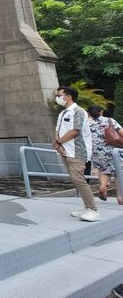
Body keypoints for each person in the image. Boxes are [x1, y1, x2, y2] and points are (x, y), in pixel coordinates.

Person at [53, 86, 100, 222]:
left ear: (68, 97)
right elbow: (57, 130)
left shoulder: (78, 111)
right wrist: (57, 145)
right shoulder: (63, 113)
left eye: (59, 95)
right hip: (65, 151)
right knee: (76, 180)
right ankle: (87, 207)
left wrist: (59, 142)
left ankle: (93, 210)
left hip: (78, 152)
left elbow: (75, 131)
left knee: (79, 179)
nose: (57, 97)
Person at [88, 105, 123, 204]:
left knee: (103, 170)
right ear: (101, 112)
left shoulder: (87, 123)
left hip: (96, 152)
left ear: (89, 113)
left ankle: (103, 186)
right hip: (112, 150)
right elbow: (121, 132)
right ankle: (120, 197)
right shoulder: (109, 120)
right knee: (118, 172)